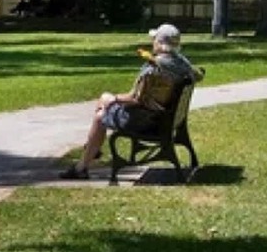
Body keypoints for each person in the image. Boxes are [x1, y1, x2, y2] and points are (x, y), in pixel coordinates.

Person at [62, 23, 204, 179]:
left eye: (154, 39)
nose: (152, 42)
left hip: (147, 121)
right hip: (165, 118)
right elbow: (197, 75)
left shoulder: (154, 68)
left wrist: (114, 99)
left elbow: (135, 98)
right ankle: (92, 151)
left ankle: (82, 166)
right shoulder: (182, 64)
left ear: (160, 43)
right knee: (103, 99)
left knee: (100, 114)